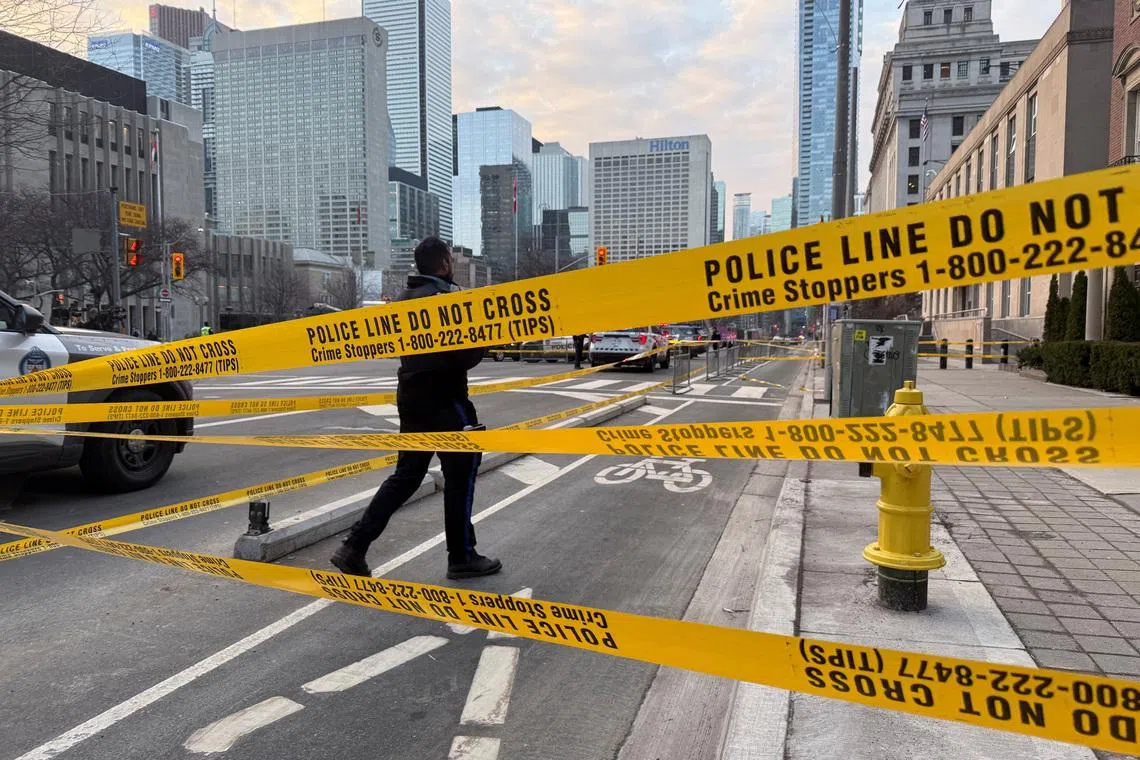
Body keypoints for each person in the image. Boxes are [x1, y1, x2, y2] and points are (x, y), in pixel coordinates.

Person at [332, 236, 500, 580]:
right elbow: (464, 355)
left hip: (410, 395)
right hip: (447, 398)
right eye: (450, 259)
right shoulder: (447, 299)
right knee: (461, 475)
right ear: (443, 264)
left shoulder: (403, 300)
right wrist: (484, 342)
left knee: (407, 476)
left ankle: (354, 546)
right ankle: (462, 556)